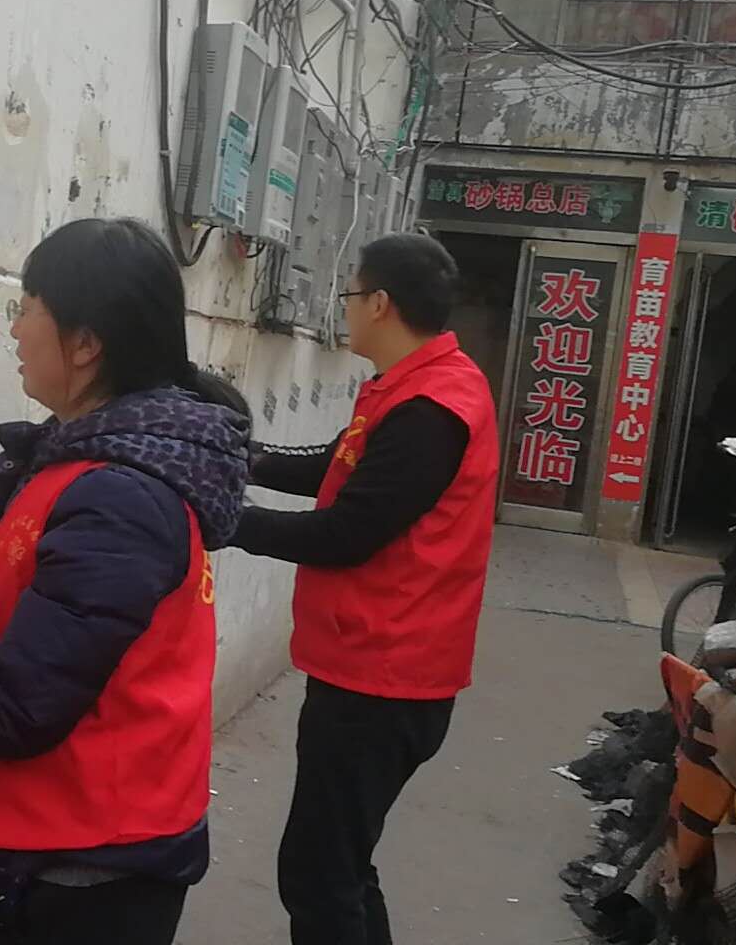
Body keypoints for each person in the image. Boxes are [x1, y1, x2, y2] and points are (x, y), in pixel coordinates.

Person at [0, 217, 251, 945]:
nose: (14, 329)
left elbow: (15, 711)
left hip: (87, 875)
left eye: (27, 307)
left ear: (85, 343)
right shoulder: (99, 454)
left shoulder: (121, 498)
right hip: (75, 845)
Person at [232, 232, 500, 945]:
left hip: (385, 681)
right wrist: (247, 458)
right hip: (370, 668)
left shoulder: (432, 408)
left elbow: (349, 532)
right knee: (343, 865)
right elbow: (340, 465)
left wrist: (226, 521)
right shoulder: (410, 385)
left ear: (379, 302)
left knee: (318, 874)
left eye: (350, 294)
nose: (344, 308)